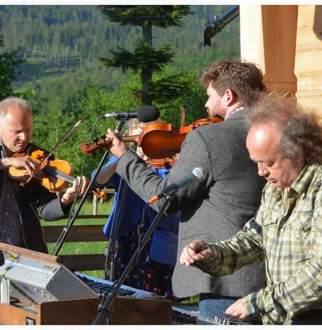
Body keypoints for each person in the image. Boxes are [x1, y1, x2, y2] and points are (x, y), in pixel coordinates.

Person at [180, 94, 322, 325]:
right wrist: (212, 254)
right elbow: (255, 238)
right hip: (299, 316)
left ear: (298, 150)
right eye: (256, 162)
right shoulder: (277, 187)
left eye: (268, 163)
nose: (261, 172)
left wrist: (258, 303)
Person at [105, 60, 267, 319]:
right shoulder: (278, 131)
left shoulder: (209, 138)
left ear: (228, 95)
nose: (205, 105)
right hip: (273, 277)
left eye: (209, 96)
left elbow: (164, 198)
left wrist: (125, 157)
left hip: (224, 281)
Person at [92, 119, 179, 296]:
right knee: (122, 295)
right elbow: (97, 178)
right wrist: (124, 157)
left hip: (159, 242)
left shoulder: (168, 164)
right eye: (138, 138)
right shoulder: (122, 162)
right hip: (126, 239)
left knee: (157, 301)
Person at [0, 96, 88, 253]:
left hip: (26, 250)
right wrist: (7, 162)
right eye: (17, 132)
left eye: (28, 130)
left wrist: (66, 200)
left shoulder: (39, 157)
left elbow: (46, 210)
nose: (25, 137)